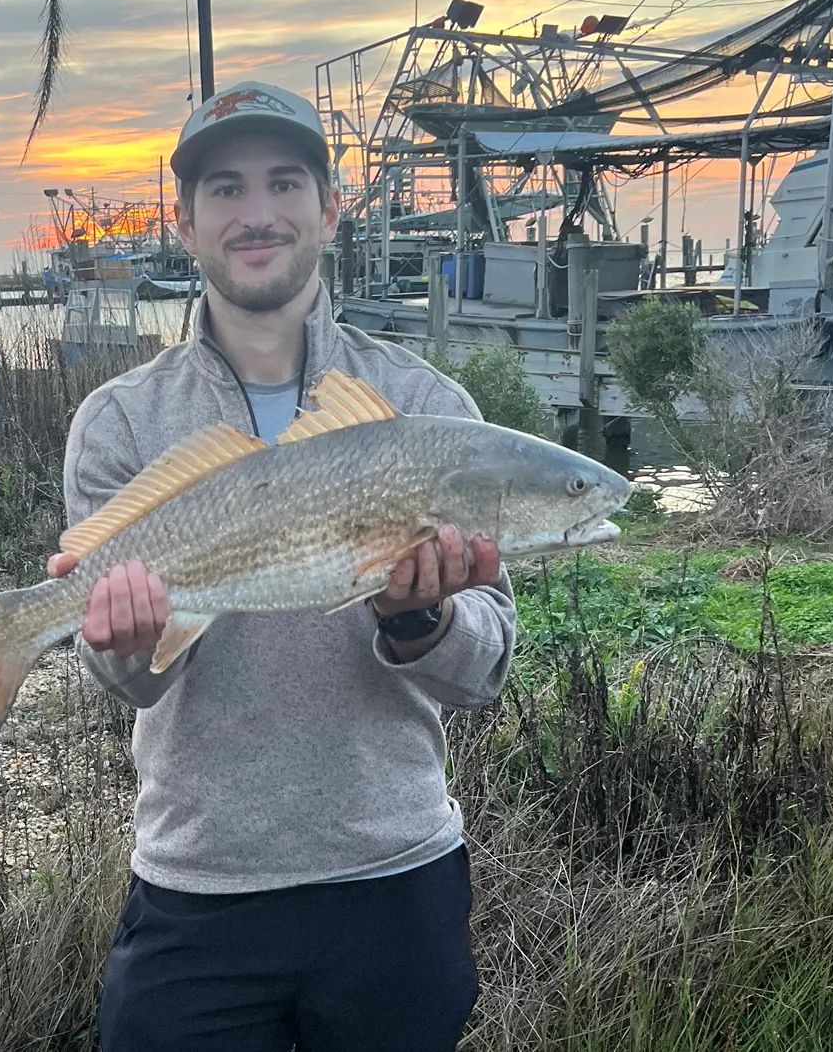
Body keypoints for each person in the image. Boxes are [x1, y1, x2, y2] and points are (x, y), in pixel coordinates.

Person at [48, 81, 516, 1052]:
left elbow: (488, 671)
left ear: (330, 207)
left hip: (396, 877)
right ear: (183, 221)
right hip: (200, 886)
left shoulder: (425, 406)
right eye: (224, 188)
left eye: (285, 182)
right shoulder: (122, 423)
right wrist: (123, 639)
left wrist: (419, 620)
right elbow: (123, 679)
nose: (256, 212)